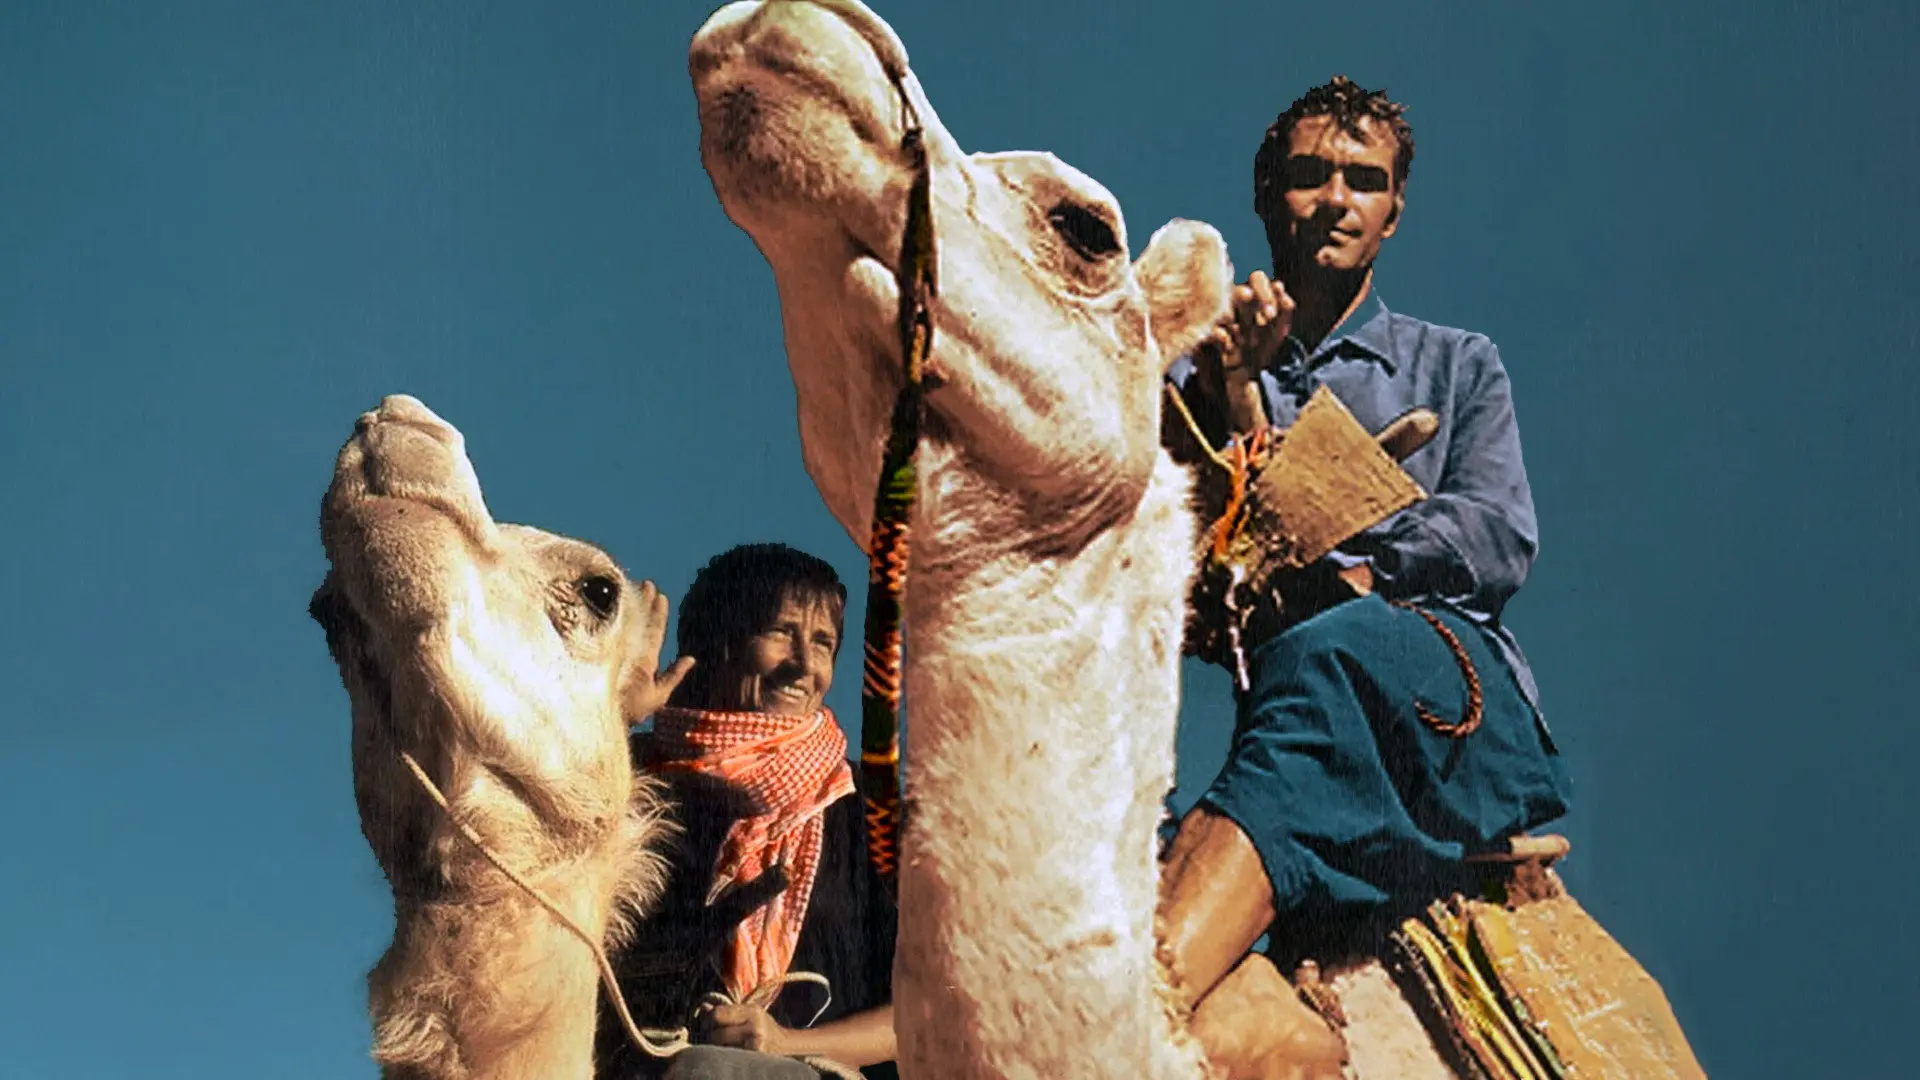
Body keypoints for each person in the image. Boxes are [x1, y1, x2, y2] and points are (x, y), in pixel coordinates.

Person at [1154, 75, 1575, 1071]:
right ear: (1269, 198)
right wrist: (1230, 392)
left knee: (1336, 649)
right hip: (1299, 724)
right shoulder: (1194, 383)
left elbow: (1497, 538)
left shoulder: (1459, 365)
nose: (1336, 198)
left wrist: (1353, 551)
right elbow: (1159, 579)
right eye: (1310, 176)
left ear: (1392, 213)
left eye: (1363, 179)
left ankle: (1131, 999)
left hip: (1440, 705)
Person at [597, 544, 898, 1080]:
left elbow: (930, 1007)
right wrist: (608, 727)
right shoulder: (629, 786)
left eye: (824, 643)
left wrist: (786, 1042)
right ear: (721, 644)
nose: (804, 665)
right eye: (782, 633)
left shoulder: (867, 812)